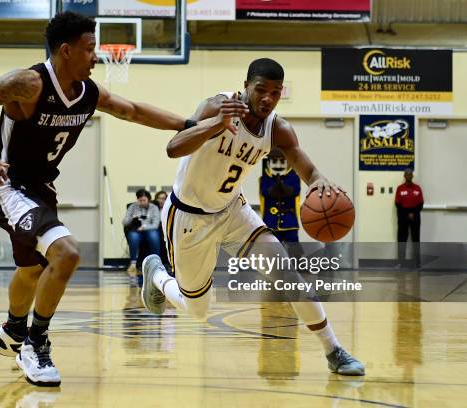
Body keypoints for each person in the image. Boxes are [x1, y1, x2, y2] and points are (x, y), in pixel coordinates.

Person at [0, 11, 188, 387]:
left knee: (32, 271)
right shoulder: (28, 83)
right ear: (65, 50)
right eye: (90, 49)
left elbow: (135, 111)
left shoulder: (89, 94)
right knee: (67, 254)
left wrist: (188, 126)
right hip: (7, 186)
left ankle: (12, 328)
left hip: (41, 191)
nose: (97, 56)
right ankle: (34, 342)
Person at [141, 58, 364, 376]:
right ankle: (159, 277)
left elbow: (308, 168)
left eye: (275, 92)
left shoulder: (279, 129)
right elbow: (173, 147)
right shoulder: (216, 106)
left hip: (233, 211)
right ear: (245, 86)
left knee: (288, 274)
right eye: (261, 89)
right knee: (199, 310)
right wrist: (216, 124)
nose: (267, 99)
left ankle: (334, 350)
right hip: (189, 217)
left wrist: (319, 182)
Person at [259, 147, 300, 243]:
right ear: (269, 163)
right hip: (271, 222)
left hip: (290, 223)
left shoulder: (294, 177)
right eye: (274, 162)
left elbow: (293, 192)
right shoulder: (264, 179)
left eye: (282, 162)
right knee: (272, 252)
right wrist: (278, 183)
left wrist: (280, 182)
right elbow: (267, 193)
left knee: (294, 252)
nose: (278, 165)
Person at [122, 189, 161, 276]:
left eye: (144, 200)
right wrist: (131, 219)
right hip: (136, 230)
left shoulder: (154, 208)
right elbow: (124, 222)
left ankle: (157, 262)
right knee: (133, 236)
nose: (142, 202)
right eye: (140, 200)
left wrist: (144, 227)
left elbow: (155, 224)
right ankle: (133, 263)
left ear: (149, 200)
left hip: (149, 229)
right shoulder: (132, 207)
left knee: (154, 236)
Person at [395, 168, 424, 268]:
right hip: (403, 217)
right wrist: (407, 213)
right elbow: (397, 204)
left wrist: (413, 213)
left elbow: (421, 203)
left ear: (412, 176)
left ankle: (417, 263)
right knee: (401, 240)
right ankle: (400, 262)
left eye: (410, 174)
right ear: (404, 176)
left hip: (415, 217)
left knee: (416, 239)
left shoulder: (417, 188)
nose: (408, 176)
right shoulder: (400, 188)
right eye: (407, 174)